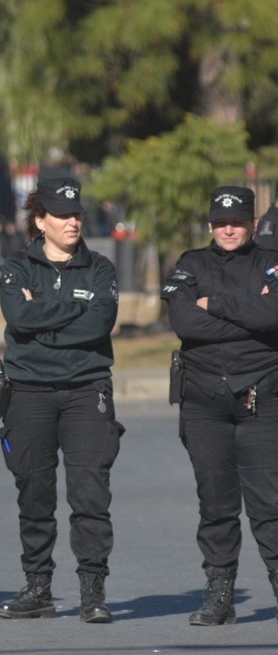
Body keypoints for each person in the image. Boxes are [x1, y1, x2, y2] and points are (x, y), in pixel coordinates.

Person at [0, 177, 121, 623]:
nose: (72, 221)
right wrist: (70, 314)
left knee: (90, 495)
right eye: (62, 215)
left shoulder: (101, 268)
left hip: (86, 391)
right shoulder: (16, 268)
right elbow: (18, 316)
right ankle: (38, 587)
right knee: (34, 493)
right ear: (40, 220)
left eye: (77, 214)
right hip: (28, 393)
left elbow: (98, 326)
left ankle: (93, 591)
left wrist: (41, 318)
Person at [162, 186, 278, 626]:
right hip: (204, 401)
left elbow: (275, 315)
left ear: (252, 222)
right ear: (210, 224)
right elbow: (184, 321)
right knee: (215, 505)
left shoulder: (271, 261)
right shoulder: (191, 263)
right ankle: (220, 596)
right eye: (220, 222)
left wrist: (219, 307)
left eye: (237, 222)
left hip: (262, 398)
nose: (228, 229)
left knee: (270, 504)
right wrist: (250, 320)